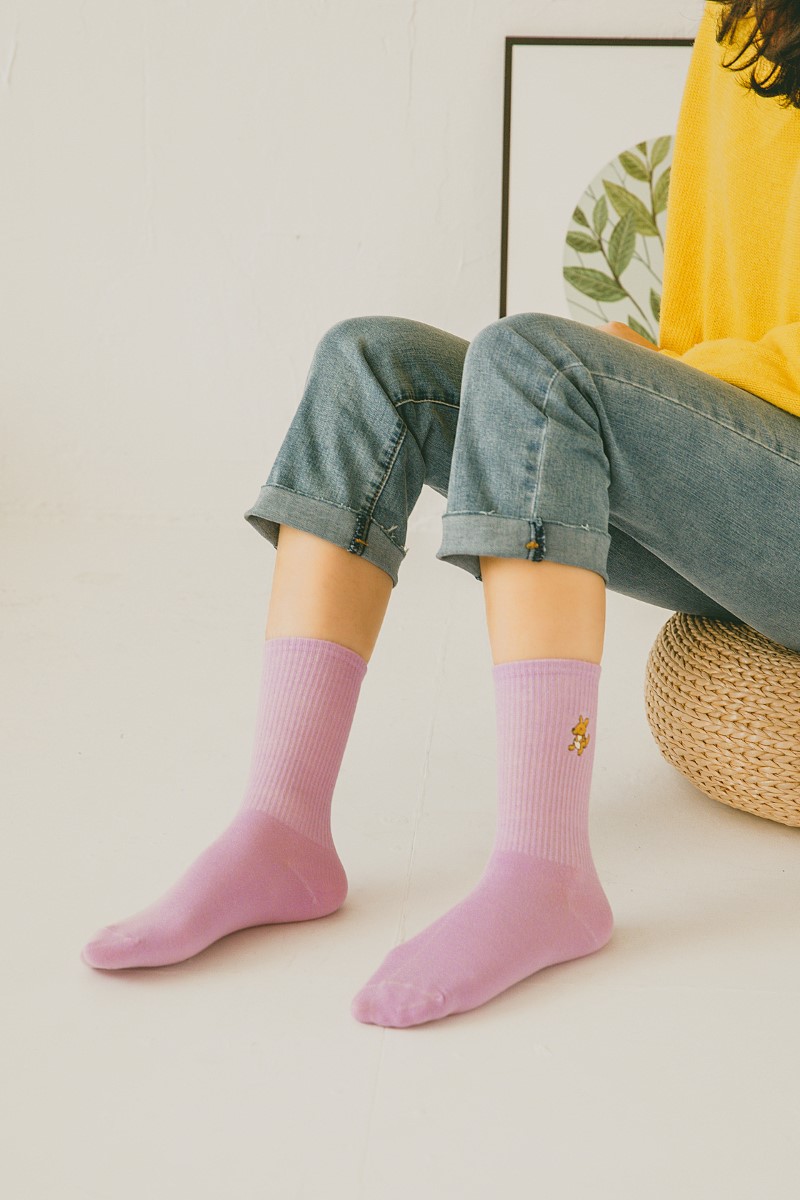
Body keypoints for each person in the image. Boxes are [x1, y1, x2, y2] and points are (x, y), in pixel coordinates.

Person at [81, 0, 800, 1028]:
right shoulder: (736, 15)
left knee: (533, 361)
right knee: (369, 365)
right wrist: (666, 372)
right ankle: (281, 826)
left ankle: (546, 870)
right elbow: (719, 273)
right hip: (750, 458)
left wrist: (678, 377)